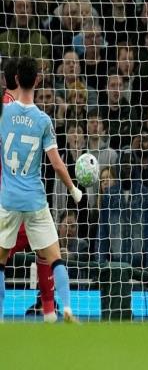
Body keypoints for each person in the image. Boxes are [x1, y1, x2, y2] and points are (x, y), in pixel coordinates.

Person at [0, 56, 82, 322]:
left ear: (13, 79)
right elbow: (57, 164)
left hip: (8, 199)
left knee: (1, 261)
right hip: (34, 199)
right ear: (37, 80)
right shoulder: (43, 120)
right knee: (53, 257)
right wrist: (74, 189)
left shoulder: (4, 113)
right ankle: (60, 309)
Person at [2, 57, 58, 322]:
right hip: (19, 196)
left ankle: (47, 307)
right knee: (46, 252)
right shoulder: (21, 112)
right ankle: (49, 309)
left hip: (9, 196)